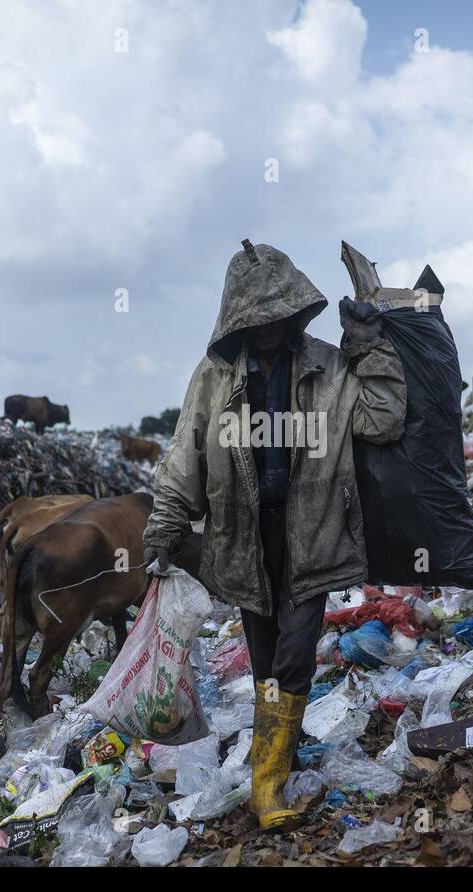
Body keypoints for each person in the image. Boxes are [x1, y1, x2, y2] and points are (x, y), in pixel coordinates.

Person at [142, 240, 406, 831]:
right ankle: (271, 761)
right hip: (243, 539)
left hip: (313, 531)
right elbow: (186, 453)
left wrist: (369, 345)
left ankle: (268, 788)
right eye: (253, 320)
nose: (264, 330)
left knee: (294, 657)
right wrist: (165, 522)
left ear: (292, 312)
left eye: (274, 317)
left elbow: (383, 421)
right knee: (265, 664)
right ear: (237, 321)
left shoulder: (328, 363)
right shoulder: (214, 377)